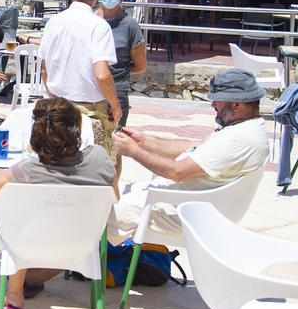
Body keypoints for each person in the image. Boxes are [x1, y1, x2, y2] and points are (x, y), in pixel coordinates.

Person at [0, 98, 116, 309]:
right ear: (76, 128)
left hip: (30, 244)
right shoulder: (100, 158)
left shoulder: (28, 169)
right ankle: (27, 281)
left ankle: (15, 292)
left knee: (15, 219)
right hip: (82, 246)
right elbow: (114, 196)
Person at [109, 69, 270, 242]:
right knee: (111, 196)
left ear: (237, 105)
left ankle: (92, 266)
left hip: (182, 211)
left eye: (217, 100)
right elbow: (194, 147)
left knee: (96, 214)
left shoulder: (238, 140)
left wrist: (133, 151)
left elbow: (178, 172)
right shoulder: (246, 128)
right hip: (189, 203)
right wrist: (144, 142)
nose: (213, 104)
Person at [39, 0, 121, 167]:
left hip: (59, 107)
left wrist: (54, 96)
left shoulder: (54, 22)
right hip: (91, 111)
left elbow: (44, 69)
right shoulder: (98, 26)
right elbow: (102, 74)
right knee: (103, 169)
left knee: (59, 166)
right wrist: (115, 105)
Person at [97, 0, 146, 136]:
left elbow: (140, 65)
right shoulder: (90, 19)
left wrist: (117, 72)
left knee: (115, 143)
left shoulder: (130, 26)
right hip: (88, 89)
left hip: (116, 92)